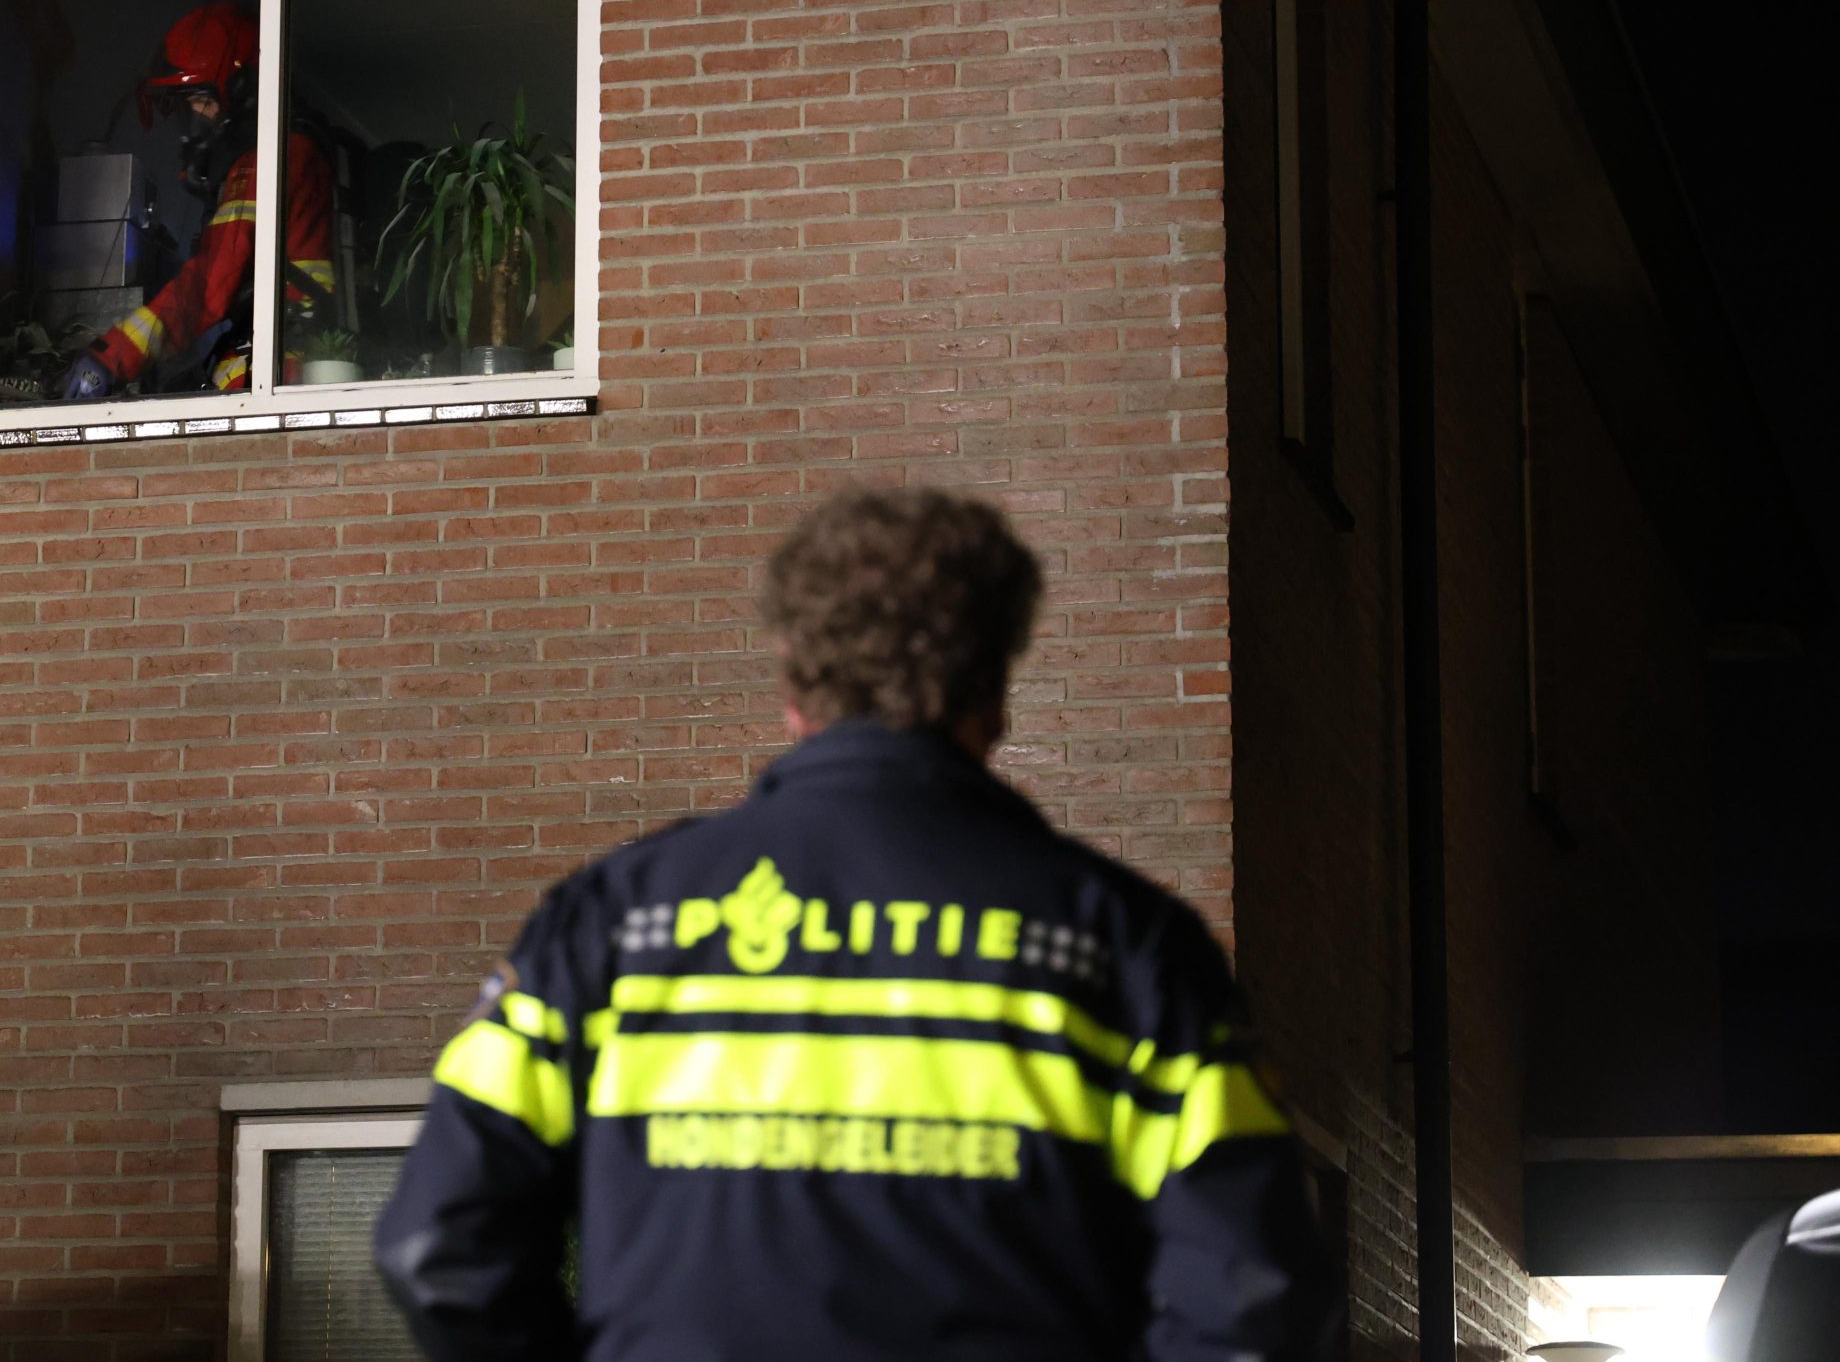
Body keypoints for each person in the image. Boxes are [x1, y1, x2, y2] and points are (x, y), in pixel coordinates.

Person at [373, 486, 1338, 1362]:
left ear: (793, 679)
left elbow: (437, 1246)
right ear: (995, 688)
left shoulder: (610, 926)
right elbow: (1255, 1291)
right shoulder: (1128, 949)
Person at [61, 2, 333, 398]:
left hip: (286, 365)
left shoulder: (271, 159)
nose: (196, 122)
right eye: (187, 107)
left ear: (244, 94)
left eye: (203, 101)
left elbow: (207, 285)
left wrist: (111, 357)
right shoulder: (289, 151)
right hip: (286, 355)